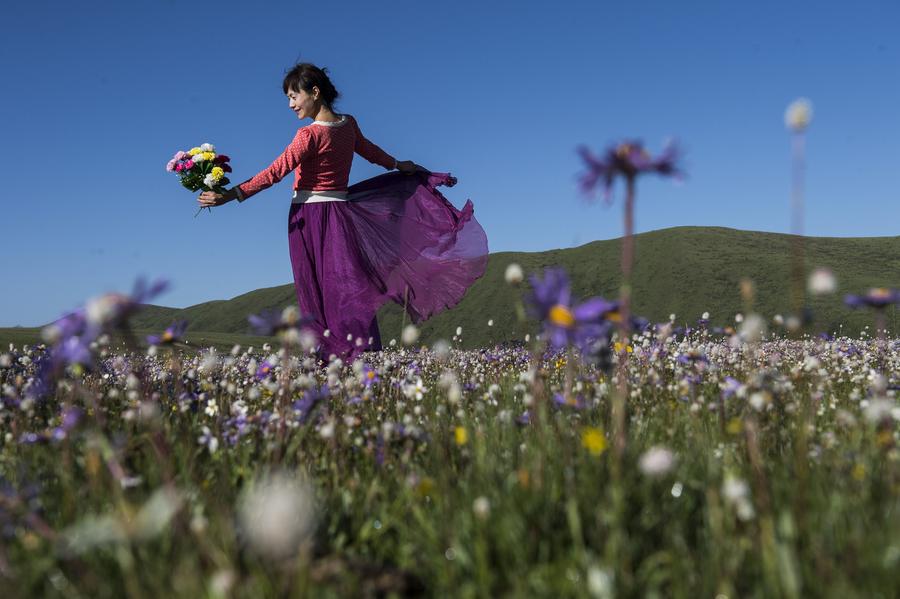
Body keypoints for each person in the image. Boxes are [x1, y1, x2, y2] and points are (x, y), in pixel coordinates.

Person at [198, 62, 488, 360]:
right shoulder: (348, 124)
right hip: (339, 215)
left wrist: (230, 196)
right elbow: (371, 151)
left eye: (293, 96)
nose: (290, 104)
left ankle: (334, 357)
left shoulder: (307, 136)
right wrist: (399, 165)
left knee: (319, 288)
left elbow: (275, 172)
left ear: (315, 91)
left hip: (309, 217)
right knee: (345, 286)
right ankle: (356, 355)